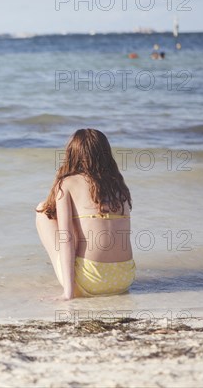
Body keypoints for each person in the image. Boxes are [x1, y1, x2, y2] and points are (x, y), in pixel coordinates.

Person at [35, 129, 135, 301]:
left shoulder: (66, 184)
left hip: (91, 282)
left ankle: (68, 279)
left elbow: (66, 239)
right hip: (124, 279)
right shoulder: (118, 184)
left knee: (43, 210)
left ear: (72, 154)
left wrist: (68, 293)